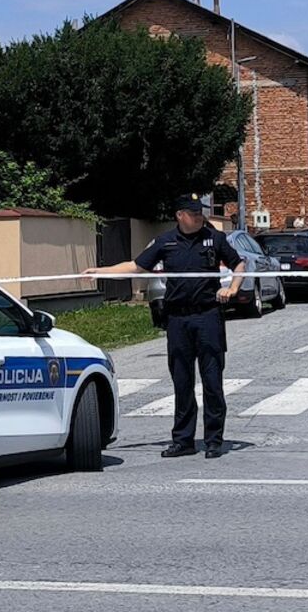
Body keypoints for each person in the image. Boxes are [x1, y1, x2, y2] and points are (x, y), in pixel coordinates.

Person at [86, 197, 246, 459]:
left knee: (212, 381)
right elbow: (136, 266)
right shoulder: (166, 241)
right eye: (193, 213)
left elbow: (239, 264)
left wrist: (232, 288)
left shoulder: (214, 239)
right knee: (182, 382)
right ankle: (183, 441)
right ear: (179, 215)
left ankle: (214, 440)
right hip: (178, 320)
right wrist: (101, 271)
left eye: (200, 213)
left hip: (207, 317)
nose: (199, 217)